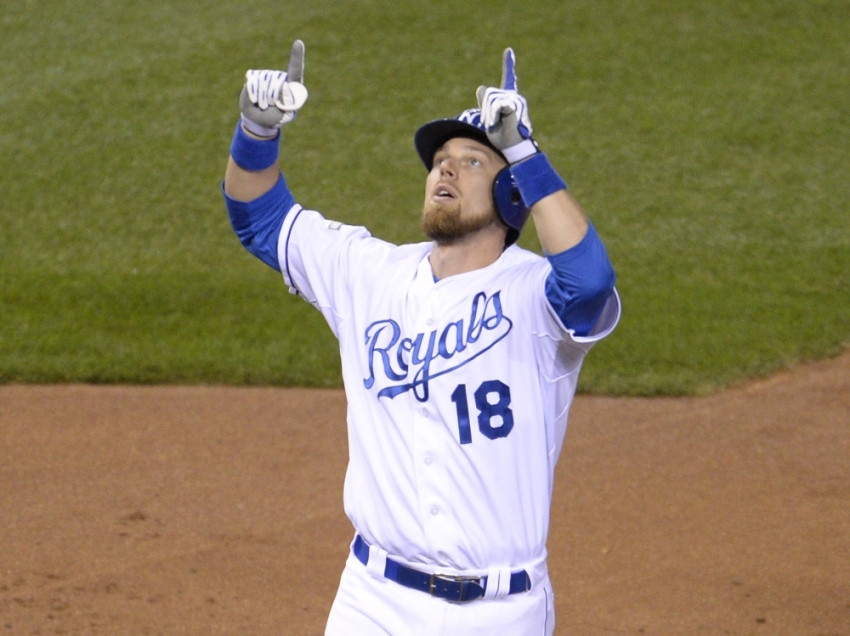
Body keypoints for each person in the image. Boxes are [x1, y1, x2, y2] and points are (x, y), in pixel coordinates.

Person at [223, 40, 620, 636]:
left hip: (500, 611)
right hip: (372, 600)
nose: (446, 168)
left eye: (473, 161)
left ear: (513, 195)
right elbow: (259, 218)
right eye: (440, 161)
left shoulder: (537, 296)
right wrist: (256, 130)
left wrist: (524, 153)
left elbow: (590, 282)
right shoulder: (367, 272)